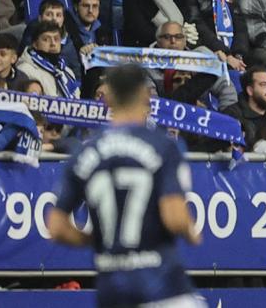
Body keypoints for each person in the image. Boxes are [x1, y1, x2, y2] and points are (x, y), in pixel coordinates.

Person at [46, 65, 203, 308]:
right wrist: (191, 232)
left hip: (113, 286)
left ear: (108, 99)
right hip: (162, 283)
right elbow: (173, 216)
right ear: (145, 96)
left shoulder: (85, 152)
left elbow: (56, 227)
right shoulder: (162, 145)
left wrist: (96, 240)